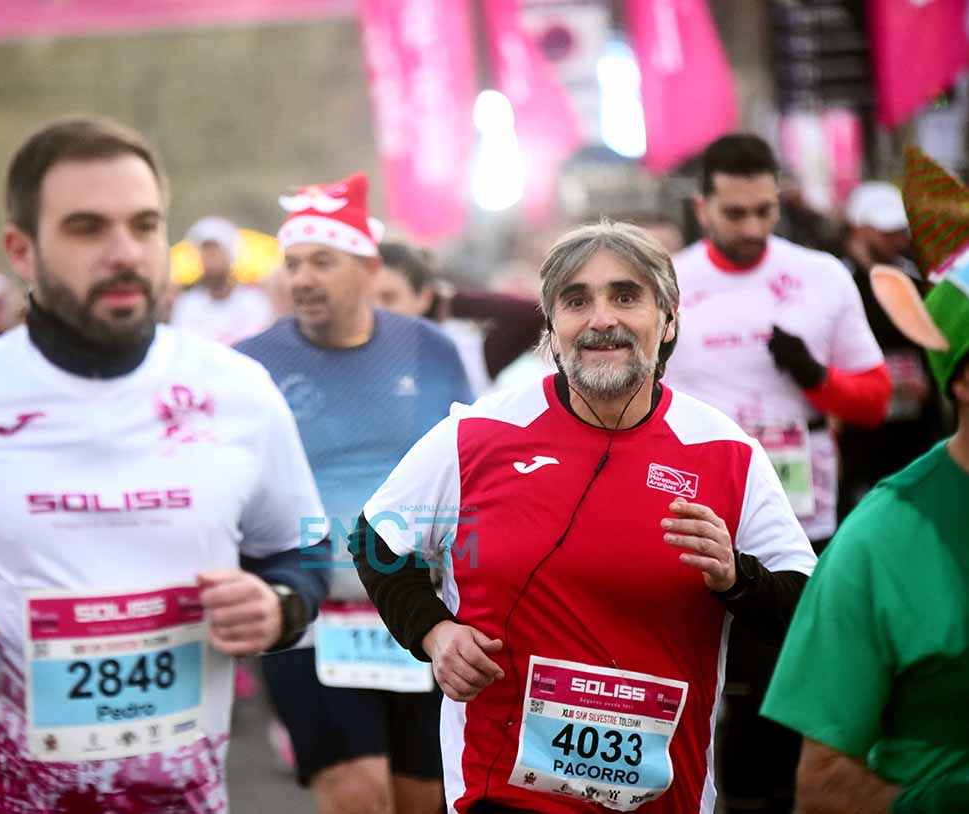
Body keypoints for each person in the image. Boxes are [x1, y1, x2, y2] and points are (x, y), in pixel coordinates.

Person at [0, 115, 329, 813]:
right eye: (87, 228)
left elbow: (302, 546)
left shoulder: (237, 392)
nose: (124, 252)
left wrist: (279, 603)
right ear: (22, 251)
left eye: (144, 225)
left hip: (177, 798)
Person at [351, 220, 816, 814]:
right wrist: (434, 632)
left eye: (626, 296)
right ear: (551, 327)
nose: (601, 319)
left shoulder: (725, 452)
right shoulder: (478, 434)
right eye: (576, 301)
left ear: (668, 319)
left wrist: (736, 578)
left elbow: (808, 607)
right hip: (501, 789)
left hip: (664, 796)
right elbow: (374, 538)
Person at [664, 134, 890, 814]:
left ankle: (775, 796)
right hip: (698, 513)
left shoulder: (821, 275)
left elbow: (875, 400)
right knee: (705, 680)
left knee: (788, 681)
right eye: (735, 213)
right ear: (702, 208)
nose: (752, 228)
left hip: (801, 512)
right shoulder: (668, 281)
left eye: (765, 211)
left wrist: (815, 378)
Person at [236, 173, 472, 814]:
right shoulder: (249, 365)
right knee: (359, 797)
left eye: (322, 261)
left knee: (424, 801)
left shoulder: (430, 350)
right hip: (311, 615)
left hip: (417, 612)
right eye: (293, 264)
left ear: (368, 267)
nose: (303, 279)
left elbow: (468, 467)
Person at [762, 146, 969, 813]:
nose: (893, 239)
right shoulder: (880, 543)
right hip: (864, 475)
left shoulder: (909, 281)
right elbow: (822, 787)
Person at [836, 181, 946, 517]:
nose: (898, 240)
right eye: (887, 232)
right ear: (859, 228)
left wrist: (932, 382)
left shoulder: (916, 278)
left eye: (900, 231)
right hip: (861, 439)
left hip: (914, 434)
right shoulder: (837, 280)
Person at [372, 241, 546, 397]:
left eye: (389, 298)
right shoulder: (358, 355)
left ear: (424, 297)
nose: (376, 309)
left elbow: (535, 314)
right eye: (366, 298)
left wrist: (452, 301)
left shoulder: (460, 354)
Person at [171, 216, 274, 345]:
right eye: (205, 252)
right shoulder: (187, 304)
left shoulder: (254, 302)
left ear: (230, 254)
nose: (209, 259)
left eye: (215, 252)